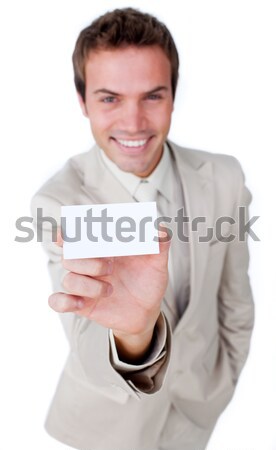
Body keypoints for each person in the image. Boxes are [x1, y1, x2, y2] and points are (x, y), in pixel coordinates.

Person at [31, 7, 254, 450]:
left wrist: (225, 379)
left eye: (152, 96)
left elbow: (235, 301)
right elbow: (86, 343)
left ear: (174, 95)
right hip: (109, 428)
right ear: (83, 102)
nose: (133, 123)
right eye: (110, 98)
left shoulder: (224, 177)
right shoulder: (61, 202)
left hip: (198, 413)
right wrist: (135, 333)